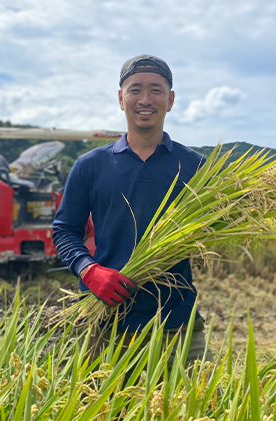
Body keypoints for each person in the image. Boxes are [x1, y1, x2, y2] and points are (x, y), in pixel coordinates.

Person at [51, 54, 212, 369]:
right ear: (121, 99)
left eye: (156, 90)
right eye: (135, 89)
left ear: (171, 100)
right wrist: (89, 270)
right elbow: (64, 230)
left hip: (177, 323)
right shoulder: (91, 165)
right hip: (107, 320)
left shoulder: (195, 166)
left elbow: (210, 227)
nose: (145, 99)